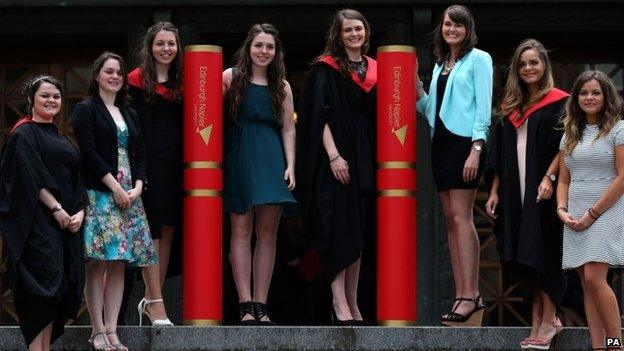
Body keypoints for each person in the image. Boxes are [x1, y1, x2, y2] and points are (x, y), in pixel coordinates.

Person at [485, 39, 568, 349]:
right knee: (524, 256)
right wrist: (494, 190)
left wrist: (549, 176)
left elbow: (567, 145)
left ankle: (550, 320)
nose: (529, 68)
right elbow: (499, 154)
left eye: (534, 62)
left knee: (544, 251)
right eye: (523, 64)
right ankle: (538, 318)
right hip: (515, 194)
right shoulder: (511, 110)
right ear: (516, 71)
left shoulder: (560, 102)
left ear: (544, 65)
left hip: (546, 192)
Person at [72, 52, 157, 351]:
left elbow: (142, 155)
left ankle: (112, 330)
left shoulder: (129, 113)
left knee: (120, 264)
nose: (115, 77)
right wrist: (115, 188)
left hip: (130, 197)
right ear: (96, 75)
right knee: (97, 264)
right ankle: (96, 331)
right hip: (100, 194)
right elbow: (90, 154)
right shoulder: (85, 110)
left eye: (119, 73)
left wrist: (136, 187)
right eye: (109, 72)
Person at [297, 9, 376, 325]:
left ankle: (353, 301)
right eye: (348, 31)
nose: (355, 34)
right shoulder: (325, 69)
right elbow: (318, 117)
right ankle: (338, 300)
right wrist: (333, 156)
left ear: (365, 32)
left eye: (359, 29)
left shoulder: (374, 70)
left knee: (357, 233)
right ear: (339, 35)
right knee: (339, 231)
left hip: (364, 158)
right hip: (336, 160)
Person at [415, 4, 493, 326]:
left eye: (458, 25)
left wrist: (477, 148)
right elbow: (431, 108)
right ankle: (461, 295)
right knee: (450, 219)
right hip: (441, 145)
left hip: (465, 145)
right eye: (448, 24)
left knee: (462, 218)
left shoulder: (479, 59)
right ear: (442, 29)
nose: (452, 30)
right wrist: (414, 81)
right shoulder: (440, 65)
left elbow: (484, 109)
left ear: (468, 28)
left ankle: (470, 296)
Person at [0, 75, 86, 351]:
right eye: (45, 96)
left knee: (56, 292)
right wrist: (56, 208)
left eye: (56, 96)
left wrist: (80, 212)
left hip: (65, 227)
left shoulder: (60, 136)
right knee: (40, 290)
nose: (52, 100)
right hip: (37, 226)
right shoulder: (23, 134)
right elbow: (30, 176)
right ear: (31, 100)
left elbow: (76, 179)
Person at [222, 23, 296, 325]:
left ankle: (261, 304)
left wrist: (291, 164)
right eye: (259, 46)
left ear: (276, 52)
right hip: (239, 154)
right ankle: (244, 304)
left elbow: (289, 127)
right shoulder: (230, 77)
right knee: (240, 229)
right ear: (248, 48)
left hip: (271, 156)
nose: (264, 51)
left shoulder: (283, 86)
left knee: (268, 233)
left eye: (270, 47)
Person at [556, 70, 624, 351]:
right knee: (586, 281)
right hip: (575, 214)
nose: (589, 97)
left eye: (595, 92)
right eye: (584, 93)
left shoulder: (619, 129)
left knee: (596, 277)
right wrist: (561, 208)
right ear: (576, 98)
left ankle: (615, 343)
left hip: (606, 209)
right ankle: (598, 347)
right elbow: (563, 179)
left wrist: (593, 214)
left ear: (606, 96)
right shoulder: (570, 134)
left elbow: (623, 177)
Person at [127, 21, 182, 326]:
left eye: (171, 44)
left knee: (170, 229)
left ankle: (152, 300)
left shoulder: (182, 82)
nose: (165, 49)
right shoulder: (134, 81)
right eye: (160, 43)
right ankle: (154, 301)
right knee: (153, 233)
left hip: (175, 165)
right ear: (150, 47)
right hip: (147, 165)